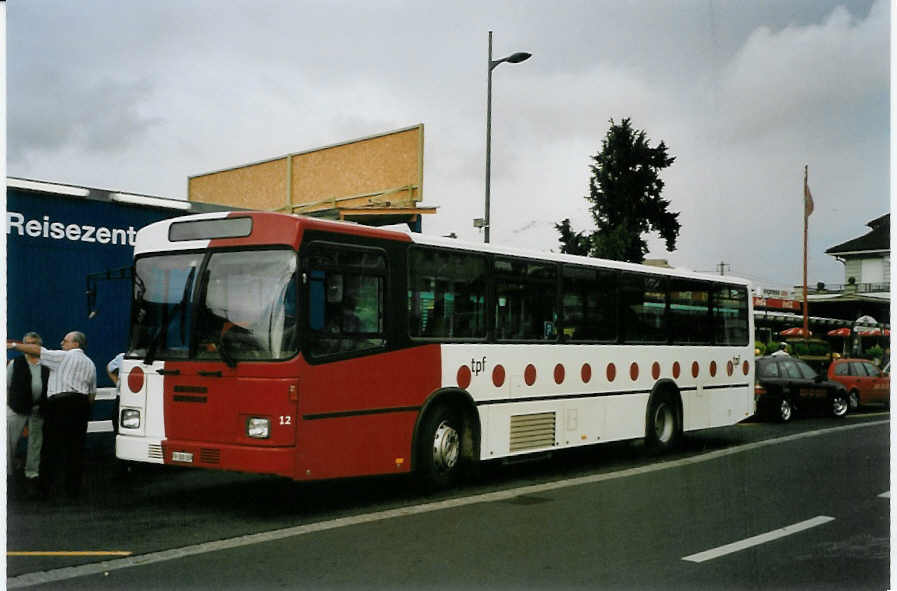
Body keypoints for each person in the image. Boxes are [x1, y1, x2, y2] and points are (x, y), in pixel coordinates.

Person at [8, 331, 97, 500]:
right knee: (75, 451)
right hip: (81, 406)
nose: (62, 343)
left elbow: (36, 350)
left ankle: (44, 490)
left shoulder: (62, 357)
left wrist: (13, 345)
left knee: (50, 448)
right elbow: (92, 395)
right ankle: (72, 492)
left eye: (65, 341)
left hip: (60, 405)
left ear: (75, 344)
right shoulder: (90, 364)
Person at [6, 332, 49, 494]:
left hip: (38, 410)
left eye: (34, 344)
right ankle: (7, 475)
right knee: (8, 443)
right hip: (16, 409)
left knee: (35, 445)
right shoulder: (15, 363)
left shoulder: (46, 364)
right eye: (28, 343)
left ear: (39, 346)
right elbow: (6, 386)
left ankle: (32, 474)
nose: (31, 346)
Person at [106, 352, 125, 436]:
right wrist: (116, 382)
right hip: (121, 397)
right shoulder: (122, 357)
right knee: (117, 425)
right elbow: (109, 367)